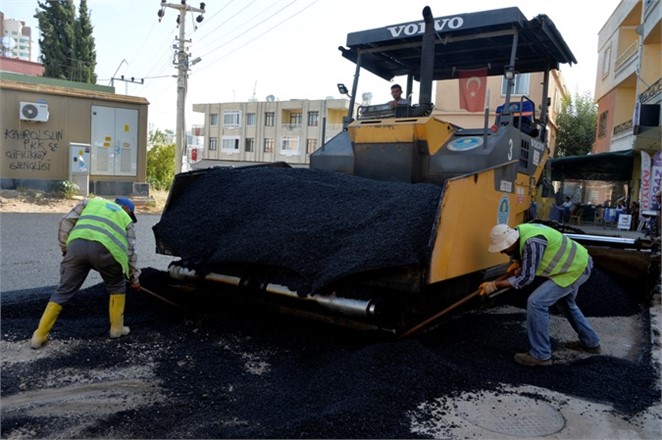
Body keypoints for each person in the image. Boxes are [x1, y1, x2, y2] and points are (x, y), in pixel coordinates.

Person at [478, 223, 600, 367]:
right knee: (566, 304)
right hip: (576, 263)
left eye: (503, 248)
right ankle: (591, 343)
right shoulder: (522, 232)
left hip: (574, 269)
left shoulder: (533, 242)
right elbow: (528, 257)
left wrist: (494, 285)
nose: (502, 252)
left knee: (536, 303)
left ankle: (541, 355)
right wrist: (519, 262)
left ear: (511, 241)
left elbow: (525, 279)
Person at [30, 197, 141, 349]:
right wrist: (133, 278)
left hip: (76, 246)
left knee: (63, 290)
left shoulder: (91, 202)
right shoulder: (126, 219)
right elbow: (131, 251)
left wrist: (66, 249)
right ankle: (116, 329)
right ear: (127, 209)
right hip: (108, 252)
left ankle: (39, 335)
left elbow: (65, 222)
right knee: (116, 285)